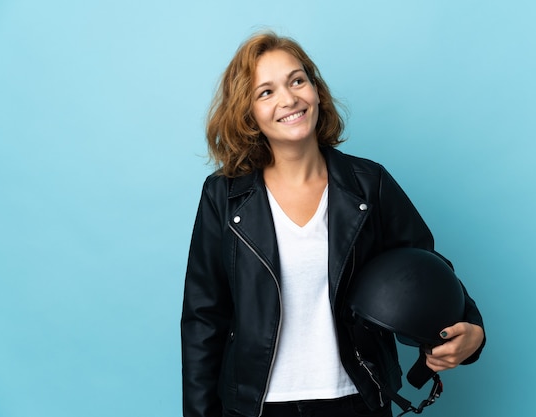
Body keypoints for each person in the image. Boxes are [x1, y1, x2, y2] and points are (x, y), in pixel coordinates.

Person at [181, 31, 485, 417]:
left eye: (297, 80)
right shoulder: (222, 197)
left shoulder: (368, 184)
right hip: (255, 406)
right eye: (266, 92)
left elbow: (425, 269)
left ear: (316, 90)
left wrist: (471, 328)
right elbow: (202, 318)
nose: (289, 99)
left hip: (357, 398)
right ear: (248, 115)